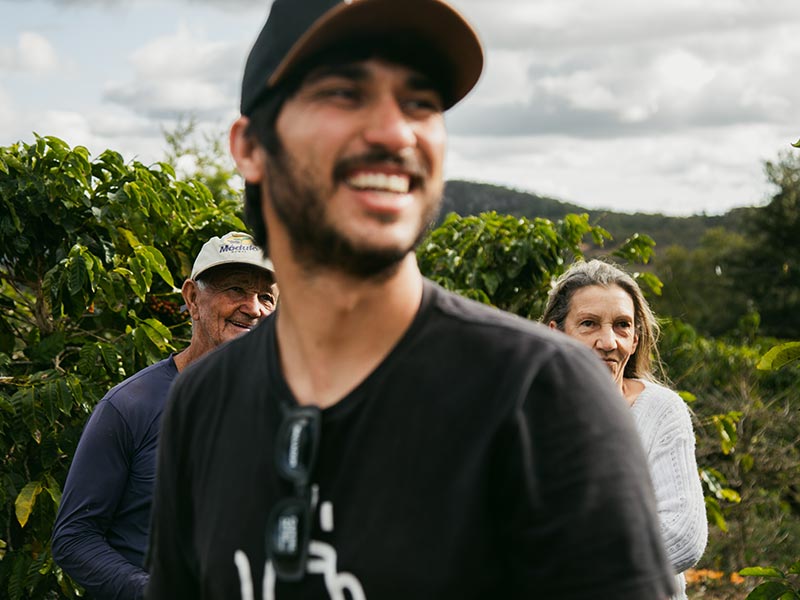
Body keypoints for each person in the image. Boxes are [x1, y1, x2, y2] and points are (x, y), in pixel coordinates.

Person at [146, 1, 676, 598]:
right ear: (250, 147)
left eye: (420, 102)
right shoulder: (204, 401)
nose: (396, 133)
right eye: (344, 93)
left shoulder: (539, 395)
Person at [52, 231, 277, 600]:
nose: (253, 308)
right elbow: (74, 537)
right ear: (192, 298)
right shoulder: (131, 407)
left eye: (266, 297)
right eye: (235, 289)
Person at [541, 259, 708, 600]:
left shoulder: (661, 411)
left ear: (635, 339)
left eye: (622, 326)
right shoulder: (523, 413)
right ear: (555, 333)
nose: (608, 341)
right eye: (588, 324)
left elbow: (681, 536)